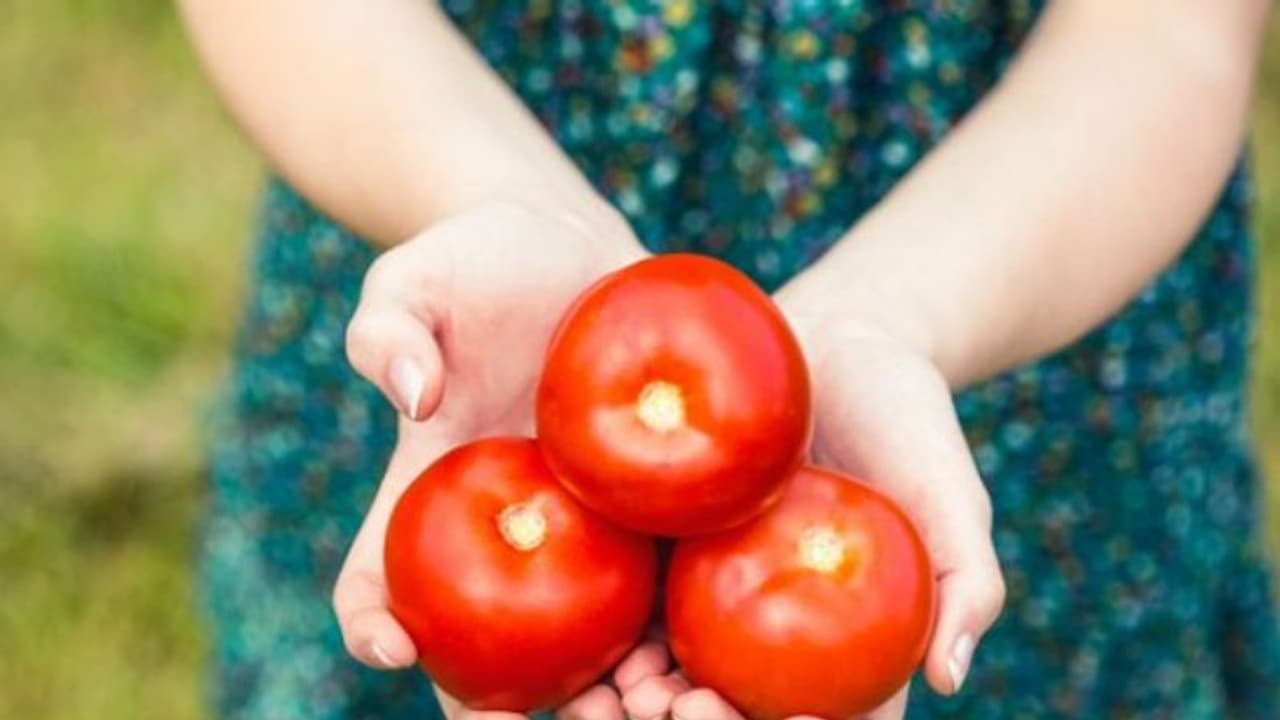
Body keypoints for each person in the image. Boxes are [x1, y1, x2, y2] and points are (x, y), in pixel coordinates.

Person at [181, 1, 1280, 718]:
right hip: (448, 220)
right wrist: (495, 200)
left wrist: (892, 317)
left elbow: (1169, 34)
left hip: (1016, 270)